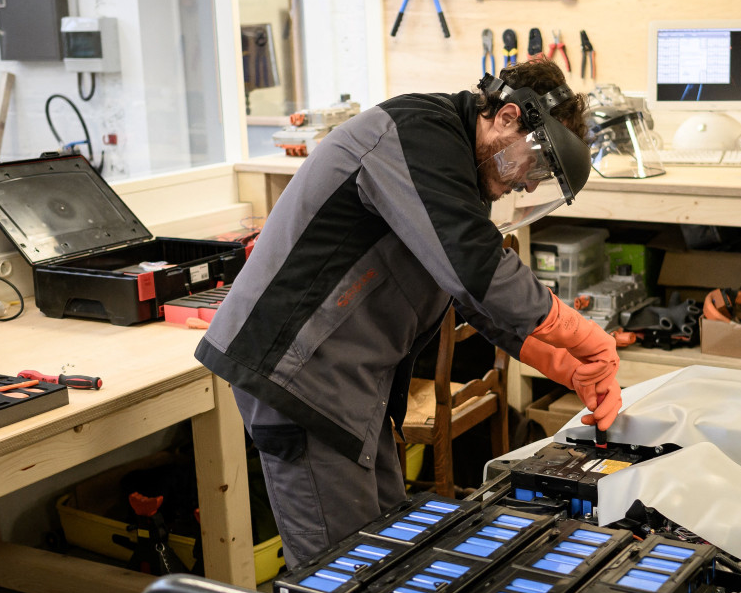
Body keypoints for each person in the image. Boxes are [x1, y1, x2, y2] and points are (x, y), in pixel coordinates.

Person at [194, 60, 622, 567]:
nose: (528, 186)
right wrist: (584, 336)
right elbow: (475, 267)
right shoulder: (419, 135)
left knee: (385, 554)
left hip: (346, 381)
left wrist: (558, 362)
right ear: (507, 117)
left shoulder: (454, 164)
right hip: (297, 373)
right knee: (341, 574)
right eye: (533, 166)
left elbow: (464, 291)